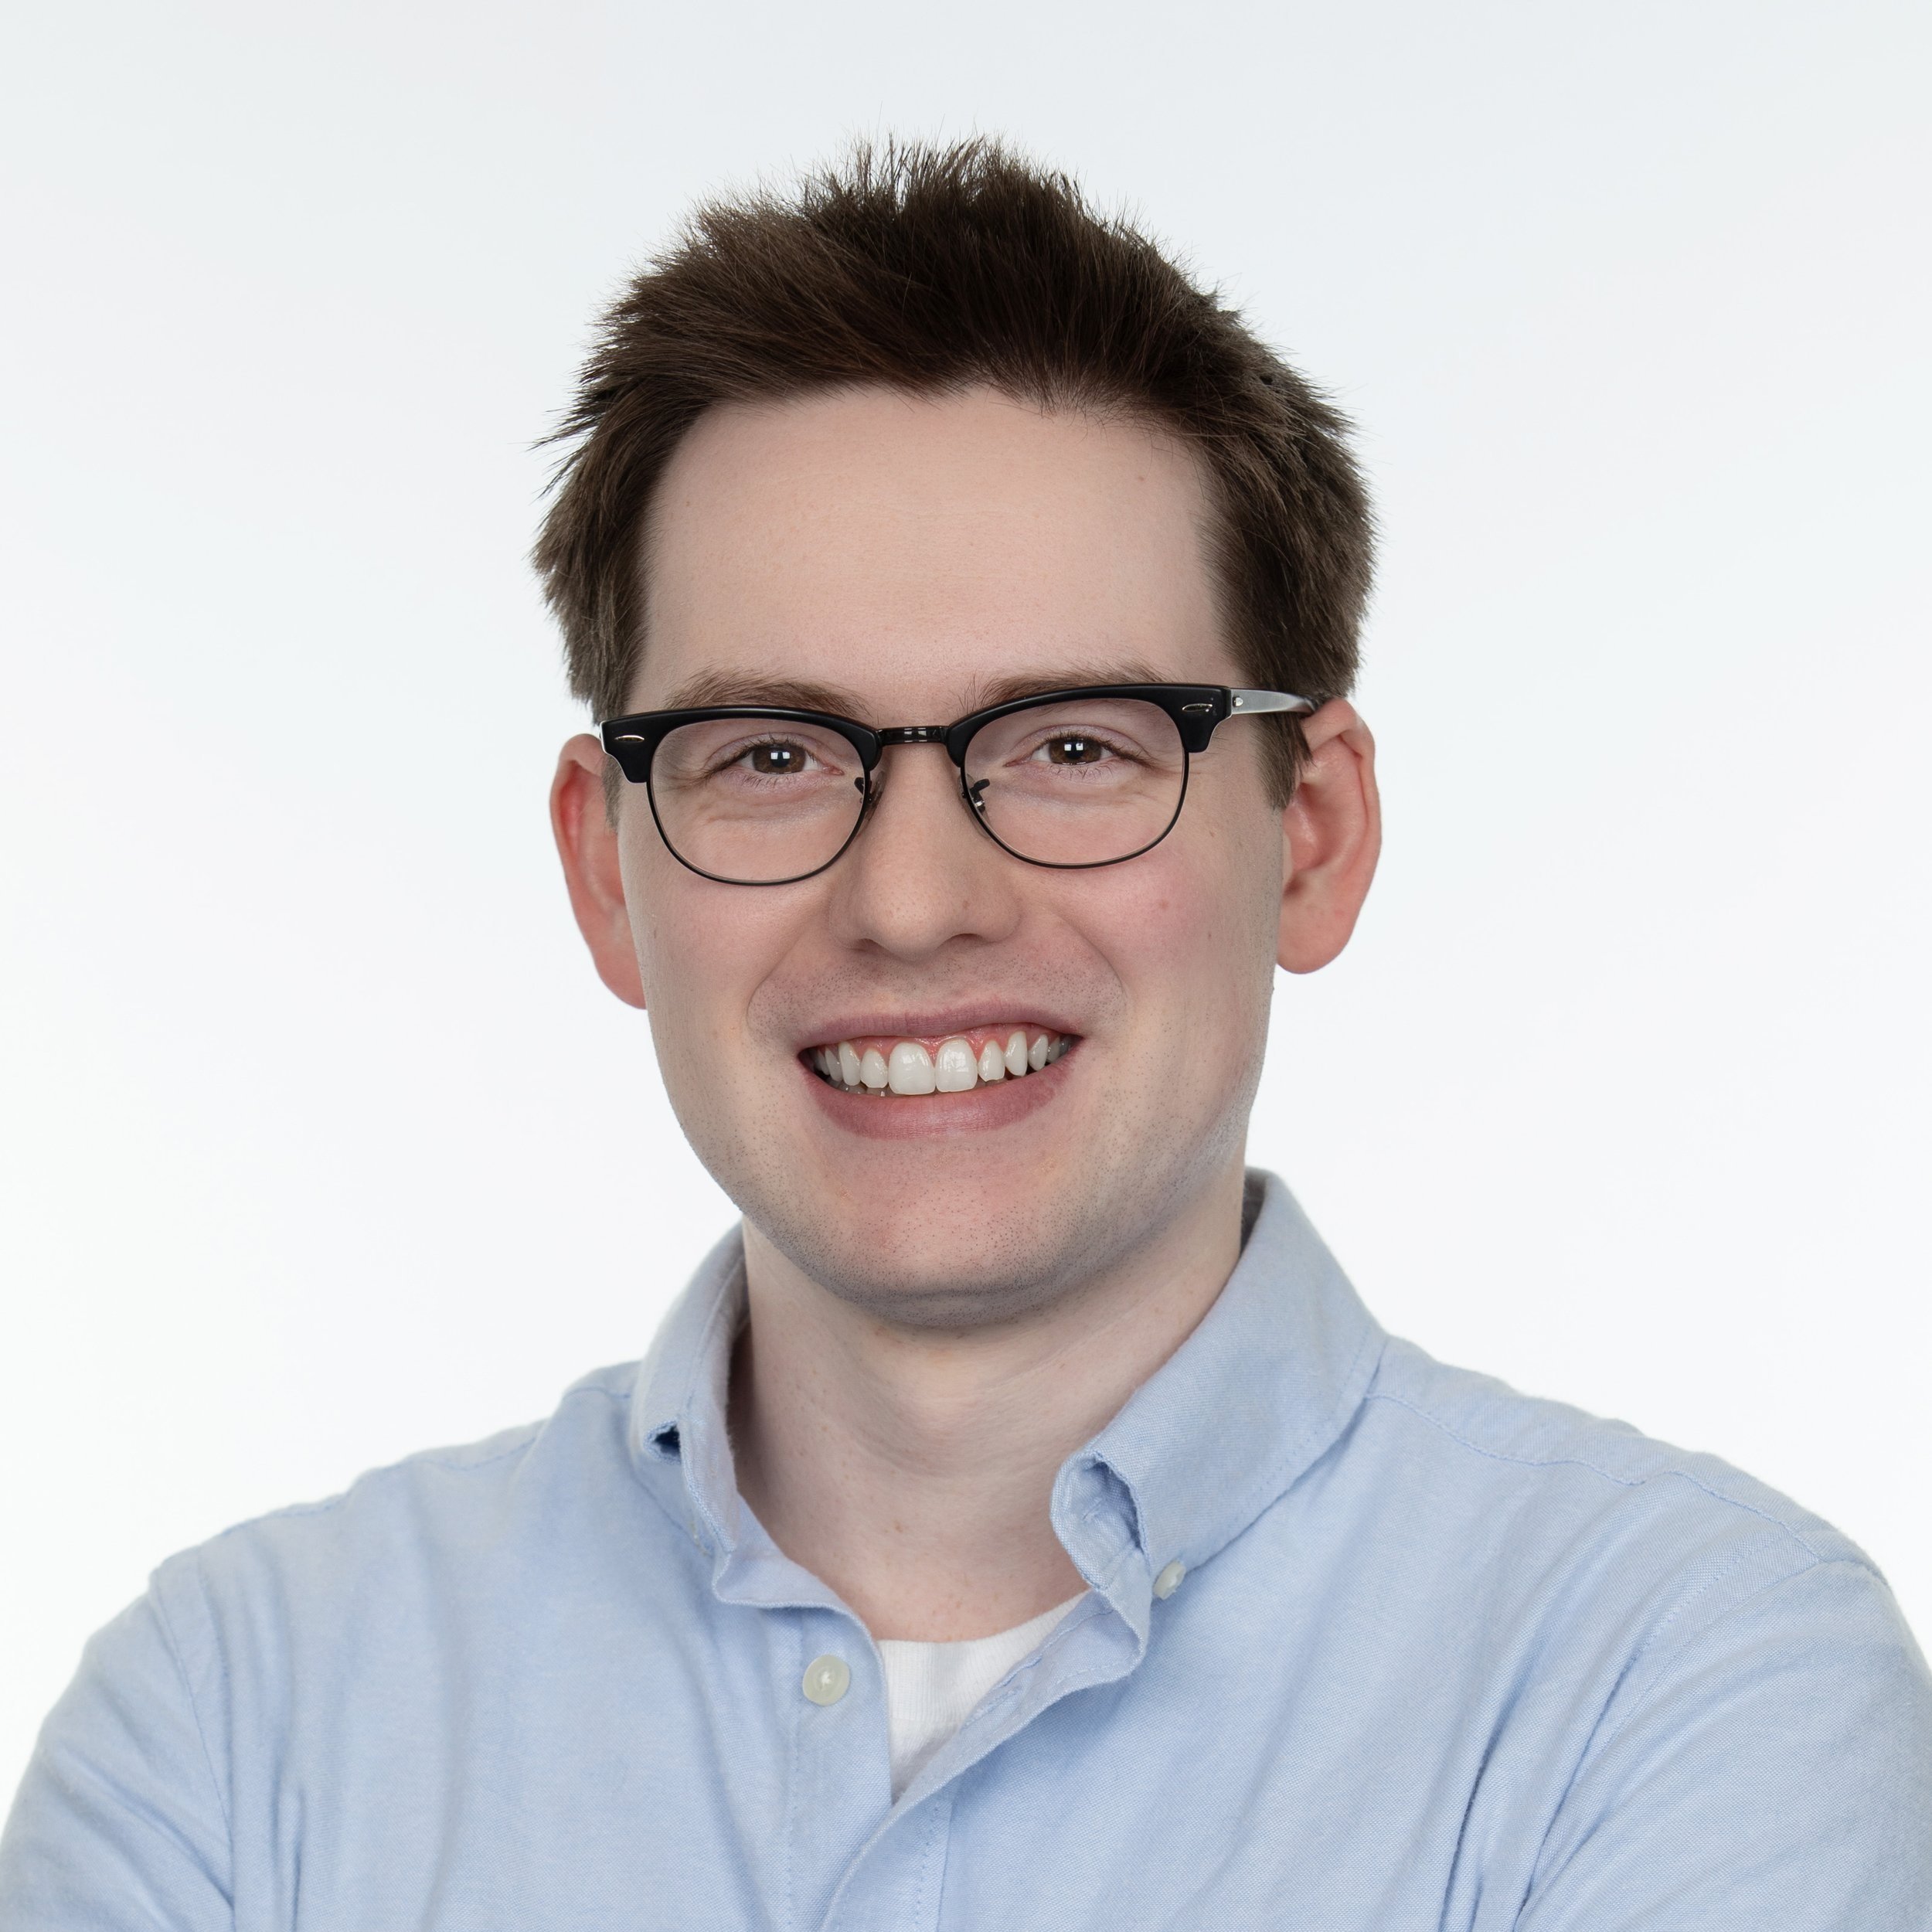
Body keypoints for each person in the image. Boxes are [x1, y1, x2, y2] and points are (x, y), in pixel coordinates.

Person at [2, 138, 1927, 1931]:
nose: (913, 900)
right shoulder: (232, 1723)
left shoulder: (1679, 1679)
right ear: (608, 871)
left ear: (1311, 836)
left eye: (1073, 745)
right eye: (770, 754)